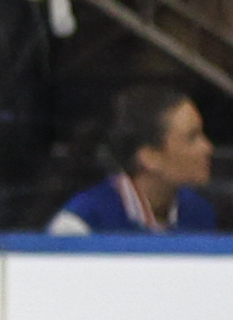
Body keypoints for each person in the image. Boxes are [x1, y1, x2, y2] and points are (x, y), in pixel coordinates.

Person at [49, 82, 221, 233]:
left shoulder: (200, 213)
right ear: (149, 157)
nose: (207, 147)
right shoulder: (82, 223)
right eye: (192, 137)